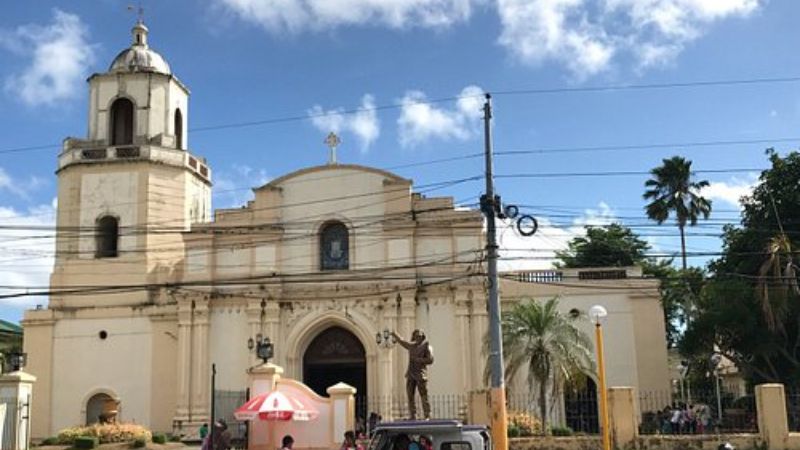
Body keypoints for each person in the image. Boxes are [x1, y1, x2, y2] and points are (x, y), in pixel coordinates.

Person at [392, 329, 434, 420]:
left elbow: (430, 360)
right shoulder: (412, 346)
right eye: (416, 336)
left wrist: (418, 360)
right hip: (411, 373)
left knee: (424, 395)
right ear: (414, 337)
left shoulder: (427, 346)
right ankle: (413, 414)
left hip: (421, 374)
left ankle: (427, 414)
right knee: (410, 395)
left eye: (419, 336)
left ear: (423, 337)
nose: (418, 338)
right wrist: (394, 334)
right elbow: (402, 341)